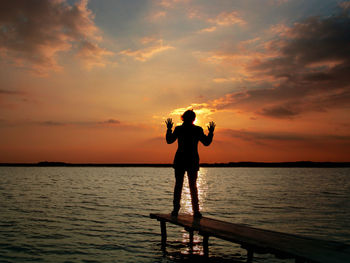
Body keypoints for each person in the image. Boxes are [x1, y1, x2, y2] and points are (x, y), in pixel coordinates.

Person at [165, 109, 215, 218]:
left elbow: (169, 140)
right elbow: (206, 143)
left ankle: (175, 211)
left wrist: (169, 129)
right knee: (193, 186)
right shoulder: (197, 130)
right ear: (193, 119)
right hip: (191, 160)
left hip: (181, 161)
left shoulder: (179, 129)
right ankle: (195, 212)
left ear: (183, 117)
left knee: (178, 186)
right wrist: (211, 132)